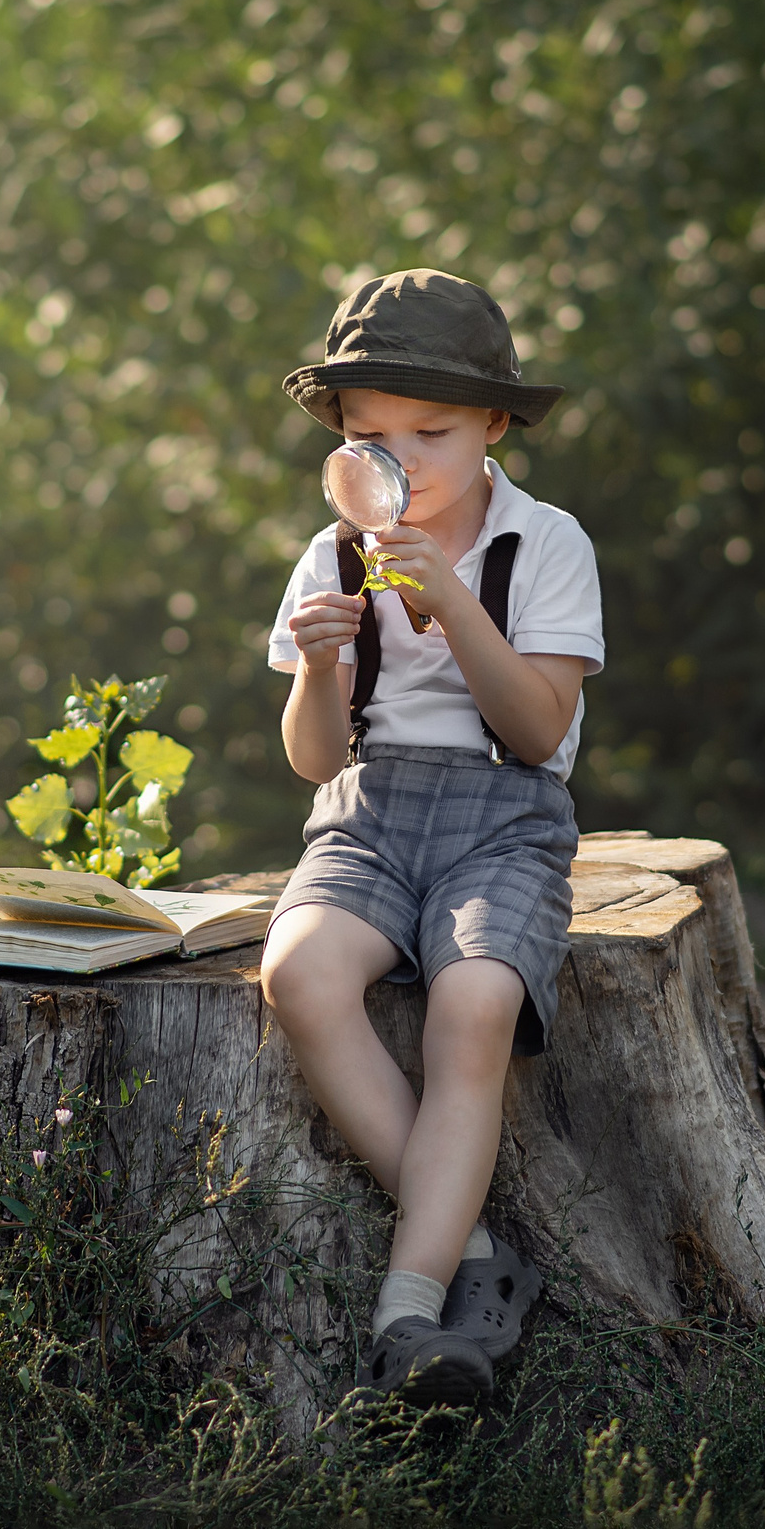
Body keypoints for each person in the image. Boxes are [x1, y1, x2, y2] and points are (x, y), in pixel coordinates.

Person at [259, 268, 603, 1404]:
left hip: (503, 817)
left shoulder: (541, 545)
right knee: (298, 975)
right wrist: (318, 661)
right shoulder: (330, 554)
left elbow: (540, 723)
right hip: (368, 809)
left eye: (431, 432)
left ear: (496, 423)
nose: (399, 461)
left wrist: (454, 605)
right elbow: (314, 758)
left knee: (474, 1003)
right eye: (370, 438)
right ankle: (481, 1265)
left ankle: (407, 1310)